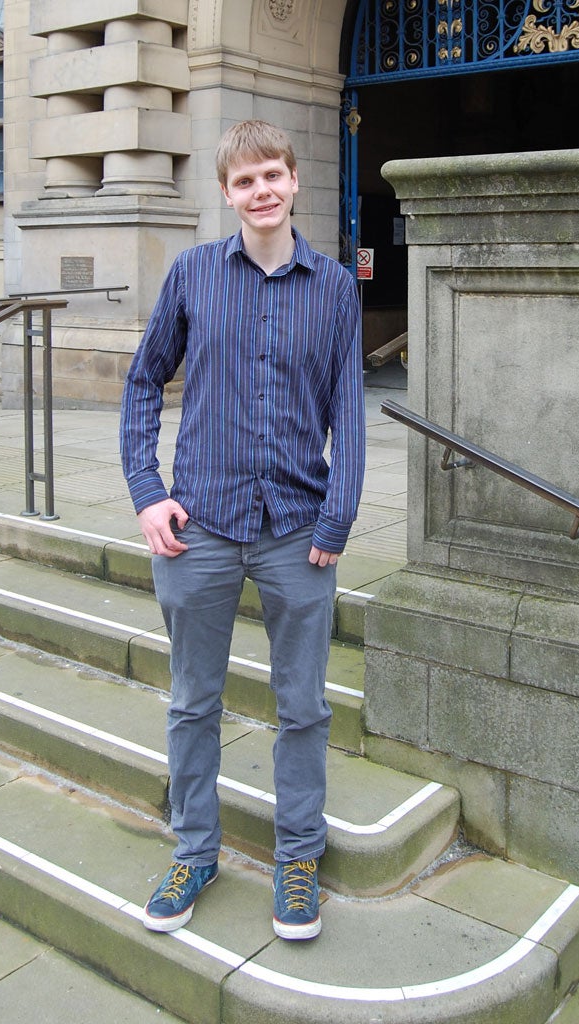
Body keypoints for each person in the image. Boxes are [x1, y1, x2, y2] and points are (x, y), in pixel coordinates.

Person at [119, 119, 365, 940]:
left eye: (273, 176)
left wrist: (340, 512)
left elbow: (347, 411)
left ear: (295, 182)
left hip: (300, 529)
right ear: (226, 194)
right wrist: (147, 490)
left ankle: (299, 858)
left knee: (303, 707)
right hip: (203, 528)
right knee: (194, 702)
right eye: (245, 181)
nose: (261, 191)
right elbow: (143, 380)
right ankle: (195, 849)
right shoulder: (192, 275)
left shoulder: (333, 287)